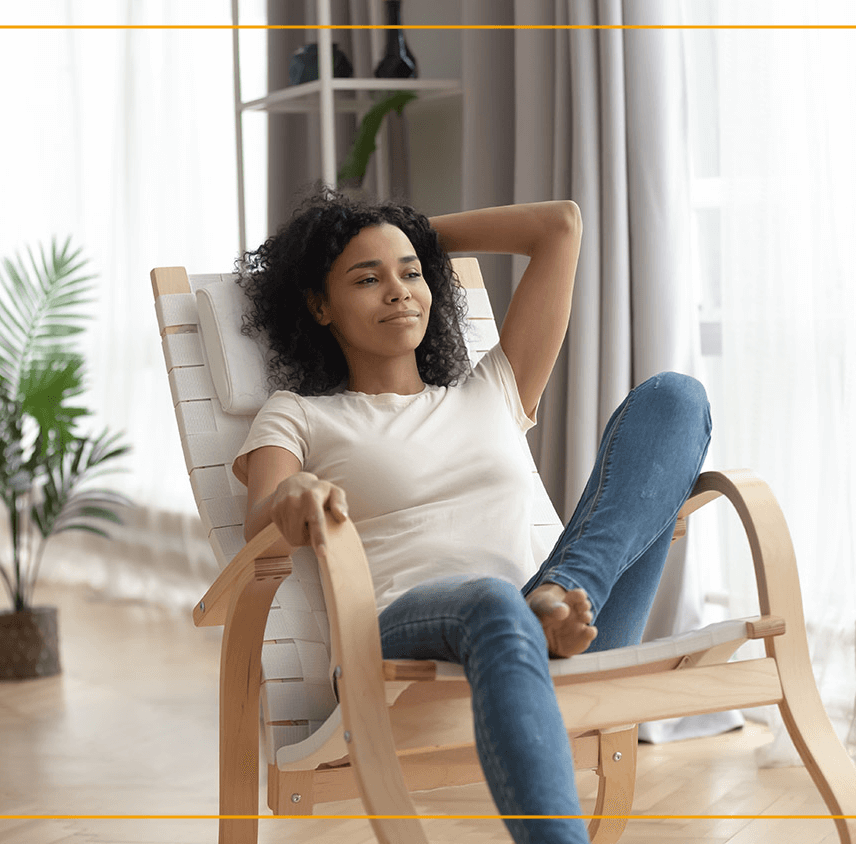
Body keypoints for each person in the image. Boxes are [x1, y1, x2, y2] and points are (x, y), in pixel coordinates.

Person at [231, 187, 711, 844]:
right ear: (319, 305)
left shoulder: (492, 390)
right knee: (493, 600)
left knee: (676, 398)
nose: (399, 291)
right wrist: (287, 499)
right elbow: (263, 511)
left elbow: (559, 225)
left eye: (411, 273)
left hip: (544, 621)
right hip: (398, 636)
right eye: (367, 279)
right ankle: (542, 607)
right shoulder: (301, 413)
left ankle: (562, 593)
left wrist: (405, 233)